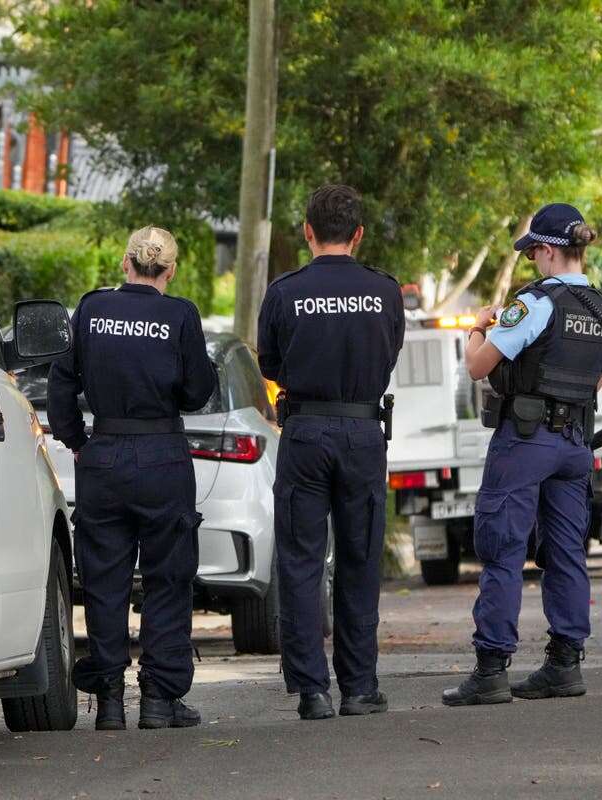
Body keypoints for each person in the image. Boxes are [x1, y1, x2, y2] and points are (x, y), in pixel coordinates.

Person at [443, 203, 602, 707]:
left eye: (533, 254)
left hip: (526, 440)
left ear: (546, 250)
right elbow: (596, 383)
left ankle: (491, 669)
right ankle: (565, 664)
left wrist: (477, 327)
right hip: (575, 446)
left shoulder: (534, 304)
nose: (532, 264)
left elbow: (479, 367)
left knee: (501, 548)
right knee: (566, 551)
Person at [47, 226, 217, 730]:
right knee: (168, 578)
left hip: (105, 457)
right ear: (170, 270)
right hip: (163, 456)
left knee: (104, 581)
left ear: (126, 264)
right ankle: (160, 700)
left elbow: (62, 380)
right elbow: (197, 392)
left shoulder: (93, 310)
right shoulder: (179, 314)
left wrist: (77, 441)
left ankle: (110, 702)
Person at [257, 185, 405, 721]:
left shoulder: (284, 291)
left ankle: (311, 690)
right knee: (360, 559)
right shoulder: (384, 292)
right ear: (359, 234)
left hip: (305, 433)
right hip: (363, 433)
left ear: (307, 231)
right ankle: (360, 688)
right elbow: (388, 356)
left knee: (300, 561)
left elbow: (269, 365)